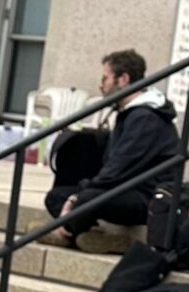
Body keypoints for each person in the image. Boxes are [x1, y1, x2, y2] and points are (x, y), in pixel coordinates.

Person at [40, 49, 180, 244]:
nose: (101, 85)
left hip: (146, 196)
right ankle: (88, 234)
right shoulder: (129, 113)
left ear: (122, 80)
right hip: (124, 188)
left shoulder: (146, 118)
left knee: (87, 198)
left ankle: (72, 233)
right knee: (55, 196)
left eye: (105, 78)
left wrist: (78, 195)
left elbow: (118, 169)